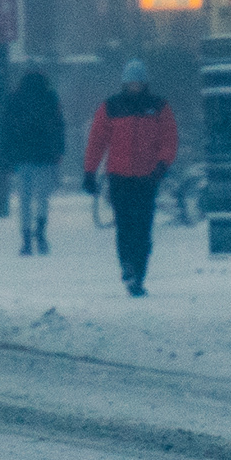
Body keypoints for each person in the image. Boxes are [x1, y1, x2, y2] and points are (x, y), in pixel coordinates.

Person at [81, 60, 179, 296]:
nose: (134, 87)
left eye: (138, 83)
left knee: (143, 227)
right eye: (131, 83)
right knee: (125, 225)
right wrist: (89, 171)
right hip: (119, 176)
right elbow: (97, 141)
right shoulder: (111, 107)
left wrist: (161, 165)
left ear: (144, 83)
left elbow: (169, 139)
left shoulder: (158, 107)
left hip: (147, 176)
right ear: (125, 83)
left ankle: (138, 272)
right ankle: (128, 265)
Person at [0, 69, 66, 255]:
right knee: (42, 197)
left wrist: (7, 157)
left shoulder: (15, 98)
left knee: (25, 199)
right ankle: (41, 233)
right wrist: (59, 150)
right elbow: (59, 125)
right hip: (44, 156)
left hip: (22, 157)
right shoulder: (50, 98)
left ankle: (26, 239)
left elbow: (6, 129)